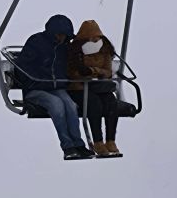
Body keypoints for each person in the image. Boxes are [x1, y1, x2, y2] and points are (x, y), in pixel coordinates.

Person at [15, 14, 92, 160]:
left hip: (55, 88)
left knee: (70, 105)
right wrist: (34, 81)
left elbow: (73, 61)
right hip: (35, 89)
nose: (62, 39)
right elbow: (22, 66)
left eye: (65, 36)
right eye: (59, 35)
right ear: (52, 32)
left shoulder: (63, 47)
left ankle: (79, 145)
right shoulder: (36, 42)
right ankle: (68, 147)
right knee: (56, 105)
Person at [67, 20, 121, 157]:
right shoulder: (75, 51)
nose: (95, 40)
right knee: (94, 103)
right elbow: (73, 73)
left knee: (111, 102)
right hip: (79, 88)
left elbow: (108, 71)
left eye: (97, 37)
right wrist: (96, 72)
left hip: (98, 86)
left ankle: (110, 140)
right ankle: (97, 141)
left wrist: (92, 70)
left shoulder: (105, 50)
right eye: (91, 37)